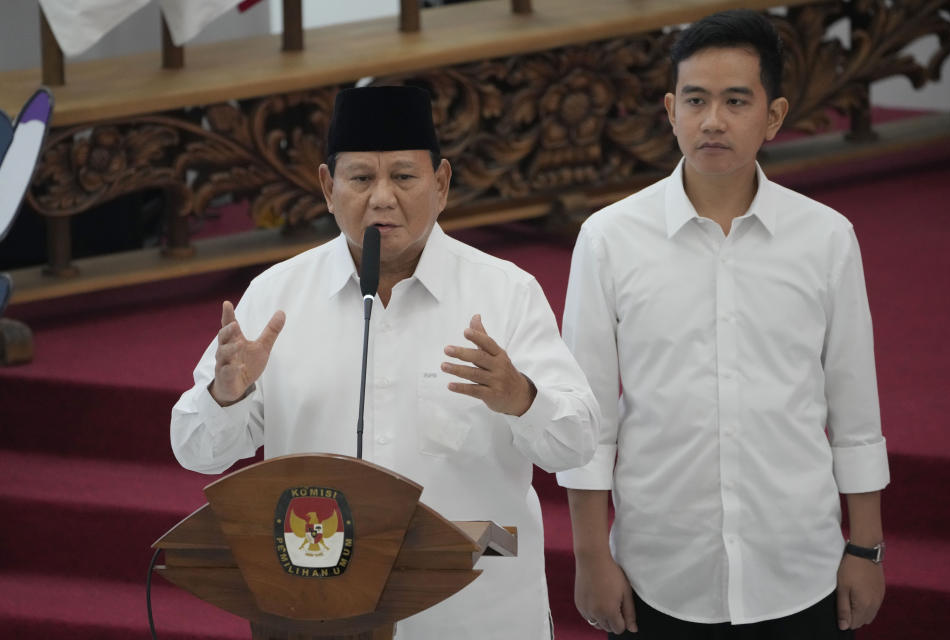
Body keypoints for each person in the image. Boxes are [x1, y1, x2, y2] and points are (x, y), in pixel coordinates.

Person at [170, 85, 599, 639]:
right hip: (320, 605)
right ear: (328, 187)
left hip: (475, 607)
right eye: (360, 179)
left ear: (441, 184)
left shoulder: (505, 294)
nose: (381, 198)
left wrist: (522, 399)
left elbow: (578, 441)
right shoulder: (275, 297)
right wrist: (226, 397)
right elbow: (196, 452)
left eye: (403, 177)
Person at [557, 9, 889, 639]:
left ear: (774, 116)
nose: (713, 121)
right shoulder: (608, 239)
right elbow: (588, 420)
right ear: (670, 108)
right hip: (661, 571)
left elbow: (855, 408)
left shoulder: (825, 238)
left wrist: (865, 546)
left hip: (798, 566)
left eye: (736, 100)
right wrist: (593, 556)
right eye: (696, 100)